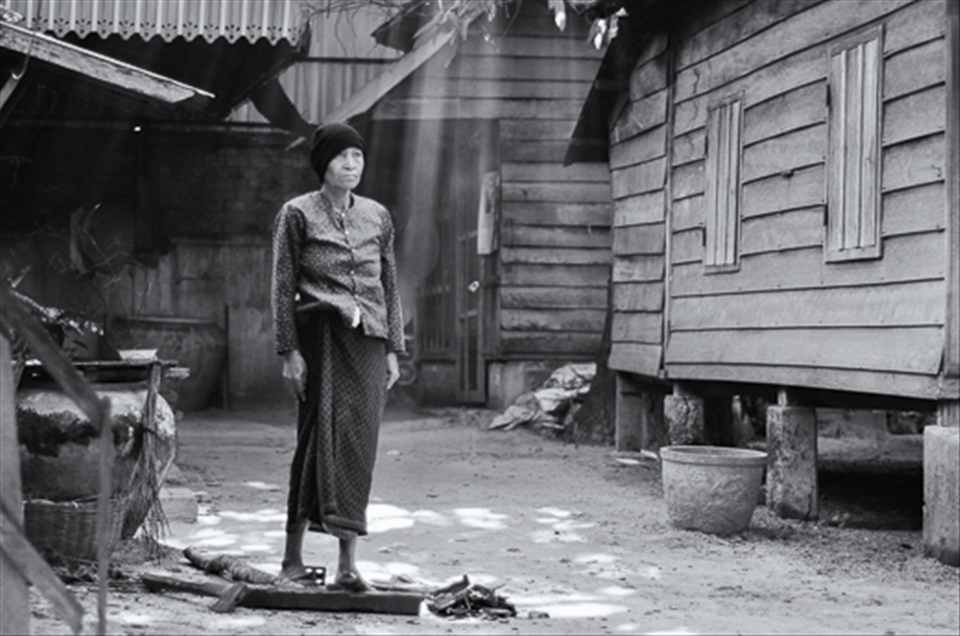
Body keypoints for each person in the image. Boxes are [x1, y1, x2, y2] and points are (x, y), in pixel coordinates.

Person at [271, 122, 403, 590]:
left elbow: (389, 284)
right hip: (319, 340)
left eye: (358, 157)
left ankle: (348, 565)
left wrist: (392, 348)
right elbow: (283, 285)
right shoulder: (297, 214)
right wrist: (289, 351)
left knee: (358, 447)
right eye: (342, 157)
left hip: (367, 342)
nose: (352, 165)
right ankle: (291, 561)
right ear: (322, 164)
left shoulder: (377, 216)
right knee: (313, 441)